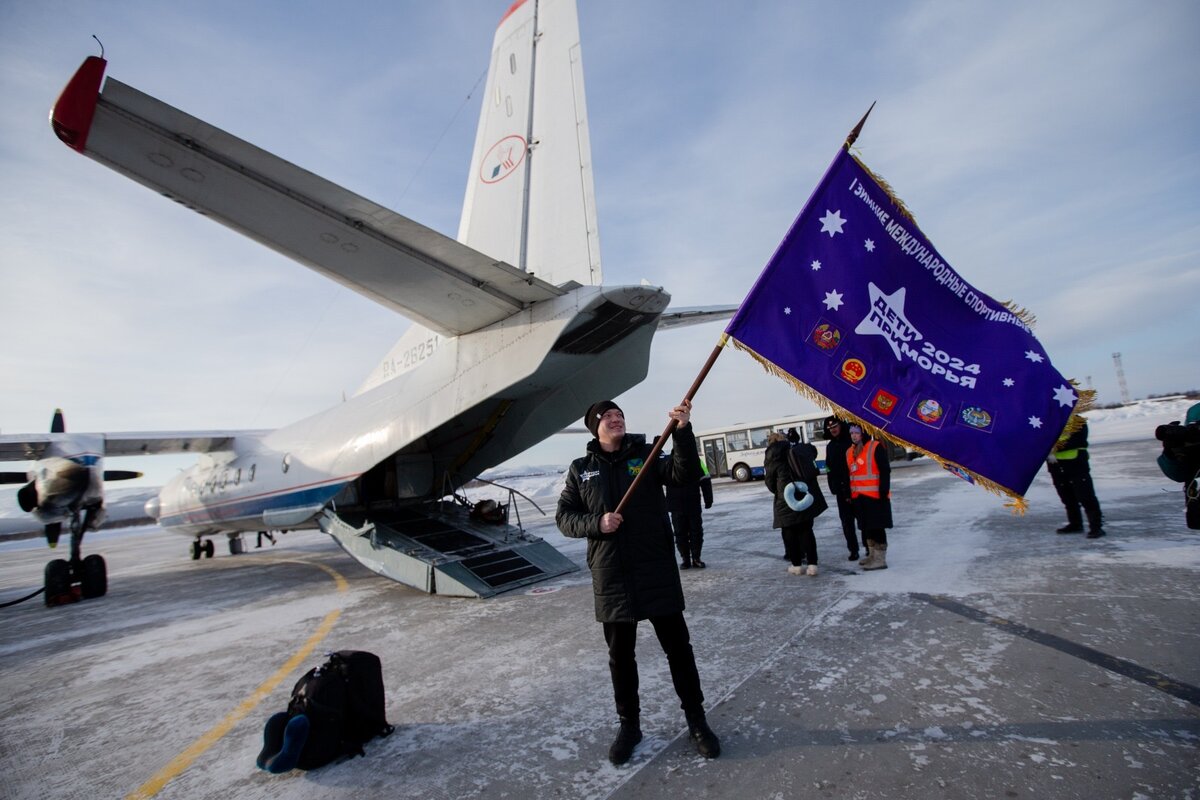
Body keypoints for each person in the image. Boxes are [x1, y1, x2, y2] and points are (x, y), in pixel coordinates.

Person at [556, 399, 721, 765]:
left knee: (679, 649)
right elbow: (565, 517)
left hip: (654, 568)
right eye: (608, 416)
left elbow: (684, 474)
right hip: (611, 575)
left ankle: (697, 721)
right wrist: (597, 524)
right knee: (621, 658)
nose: (616, 419)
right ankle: (629, 726)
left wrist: (682, 433)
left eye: (620, 415)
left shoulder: (646, 454)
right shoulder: (581, 470)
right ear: (594, 427)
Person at [764, 432, 828, 576]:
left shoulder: (771, 456)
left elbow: (769, 481)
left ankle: (797, 565)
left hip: (785, 498)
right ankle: (812, 565)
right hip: (802, 492)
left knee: (789, 532)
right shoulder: (794, 451)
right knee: (806, 530)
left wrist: (779, 491)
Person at [1046, 419, 1104, 538]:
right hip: (1056, 465)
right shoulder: (1048, 421)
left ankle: (1096, 527)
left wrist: (1053, 447)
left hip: (1076, 465)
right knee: (1067, 498)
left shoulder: (1078, 421)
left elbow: (1079, 441)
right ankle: (1075, 524)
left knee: (1086, 497)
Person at [847, 424, 892, 570]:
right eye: (851, 433)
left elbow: (885, 470)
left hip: (875, 496)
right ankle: (872, 555)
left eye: (857, 433)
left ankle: (880, 559)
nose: (854, 435)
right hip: (859, 497)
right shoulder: (849, 451)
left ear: (864, 433)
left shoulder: (875, 447)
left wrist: (883, 491)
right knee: (867, 528)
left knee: (877, 527)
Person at [821, 417, 861, 561]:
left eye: (835, 426)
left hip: (856, 488)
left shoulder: (850, 441)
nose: (833, 430)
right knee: (846, 522)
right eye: (830, 428)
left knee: (862, 520)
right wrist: (832, 484)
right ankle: (853, 550)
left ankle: (869, 548)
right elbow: (828, 467)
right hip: (841, 491)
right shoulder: (830, 446)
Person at [666, 458, 714, 569]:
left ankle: (696, 558)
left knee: (696, 532)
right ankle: (685, 559)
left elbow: (705, 479)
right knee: (680, 534)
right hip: (676, 506)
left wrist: (708, 499)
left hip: (693, 504)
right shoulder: (669, 461)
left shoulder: (696, 461)